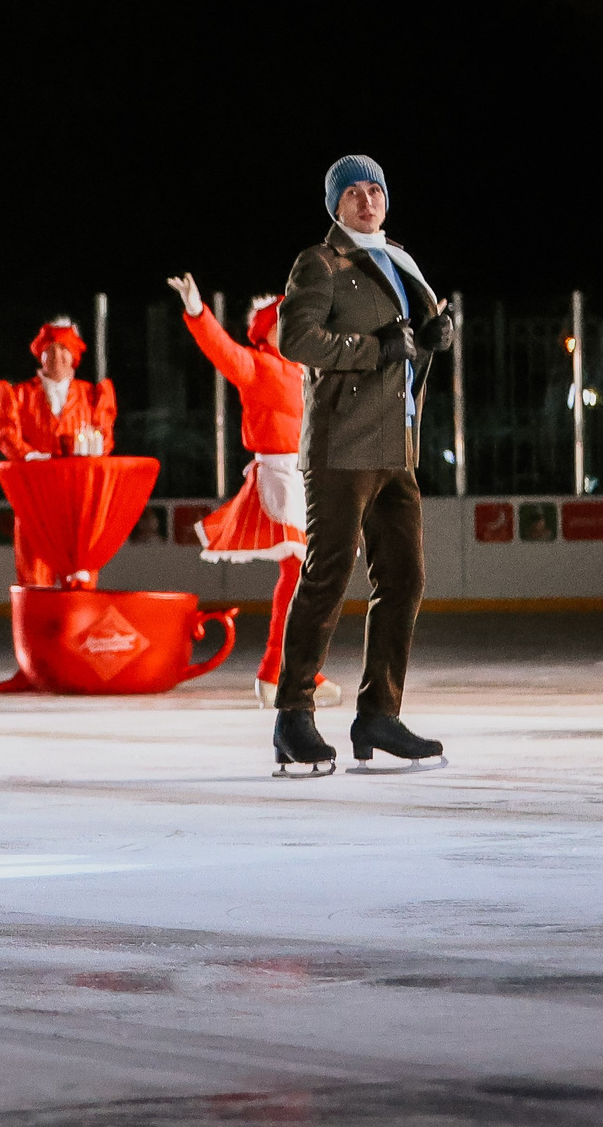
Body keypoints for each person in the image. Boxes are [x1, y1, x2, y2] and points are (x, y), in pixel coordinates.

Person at [268, 154, 454, 777]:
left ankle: (379, 713)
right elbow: (294, 340)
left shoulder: (400, 260)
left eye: (375, 189)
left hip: (396, 449)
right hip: (342, 448)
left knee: (405, 579)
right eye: (353, 193)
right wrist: (374, 348)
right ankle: (293, 714)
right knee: (326, 578)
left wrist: (432, 338)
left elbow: (410, 338)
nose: (367, 200)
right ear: (335, 206)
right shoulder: (319, 263)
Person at [164, 275, 337, 709]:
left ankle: (298, 669)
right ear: (265, 332)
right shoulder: (258, 365)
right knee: (298, 573)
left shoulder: (310, 372)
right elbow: (221, 351)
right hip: (279, 476)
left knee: (310, 578)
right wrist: (196, 311)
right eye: (282, 325)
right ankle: (275, 671)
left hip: (311, 478)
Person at [0, 318, 118, 586]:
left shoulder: (92, 396)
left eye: (64, 350)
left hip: (78, 505)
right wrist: (30, 456)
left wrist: (88, 453)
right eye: (51, 350)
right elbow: (7, 435)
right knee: (34, 580)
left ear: (74, 356)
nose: (57, 357)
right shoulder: (19, 395)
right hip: (35, 501)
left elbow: (104, 438)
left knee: (80, 583)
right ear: (40, 354)